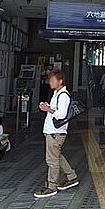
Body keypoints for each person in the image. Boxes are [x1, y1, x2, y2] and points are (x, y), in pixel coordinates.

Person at [34, 69, 79, 198]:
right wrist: (48, 107)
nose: (50, 82)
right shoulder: (57, 93)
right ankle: (71, 177)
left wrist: (48, 109)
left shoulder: (63, 95)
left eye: (52, 80)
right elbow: (56, 110)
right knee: (56, 156)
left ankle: (51, 186)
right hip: (53, 131)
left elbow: (61, 115)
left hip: (55, 132)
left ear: (60, 81)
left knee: (52, 160)